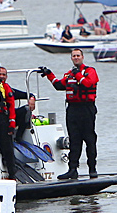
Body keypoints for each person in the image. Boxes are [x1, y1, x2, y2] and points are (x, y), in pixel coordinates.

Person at [38, 48, 99, 179]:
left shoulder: (90, 71)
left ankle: (92, 169)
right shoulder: (70, 74)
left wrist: (77, 74)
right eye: (73, 56)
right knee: (74, 139)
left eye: (78, 55)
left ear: (82, 57)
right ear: (71, 58)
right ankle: (72, 169)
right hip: (72, 109)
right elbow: (59, 85)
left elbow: (88, 84)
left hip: (86, 108)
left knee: (89, 138)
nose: (76, 58)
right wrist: (49, 74)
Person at [0, 66, 32, 141]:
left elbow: (27, 94)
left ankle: (19, 136)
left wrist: (32, 98)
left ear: (6, 77)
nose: (1, 77)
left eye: (3, 75)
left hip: (9, 117)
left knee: (27, 109)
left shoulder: (10, 90)